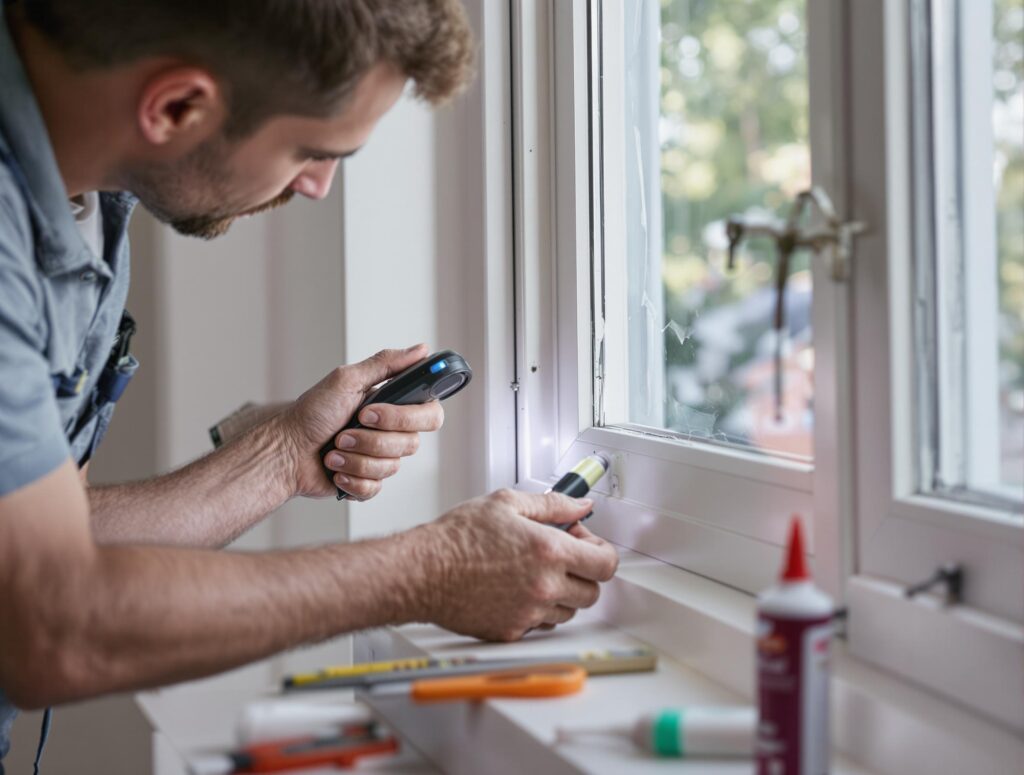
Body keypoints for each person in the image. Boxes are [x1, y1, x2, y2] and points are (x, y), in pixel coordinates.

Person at [0, 0, 619, 768]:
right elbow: (48, 624)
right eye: (313, 150)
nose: (319, 185)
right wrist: (430, 570)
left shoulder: (88, 198)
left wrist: (282, 455)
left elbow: (44, 547)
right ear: (177, 107)